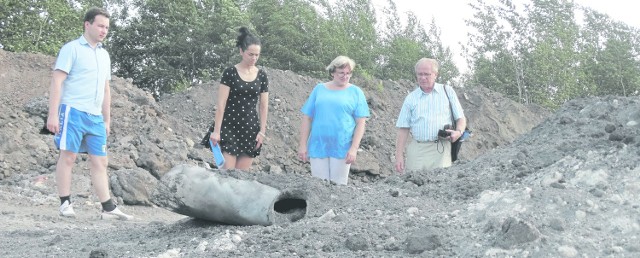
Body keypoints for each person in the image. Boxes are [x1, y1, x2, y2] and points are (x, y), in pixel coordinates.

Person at [46, 7, 132, 220]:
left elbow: (106, 89)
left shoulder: (104, 55)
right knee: (68, 156)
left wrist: (106, 119)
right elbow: (57, 81)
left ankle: (108, 208)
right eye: (100, 26)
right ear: (88, 24)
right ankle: (65, 203)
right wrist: (53, 114)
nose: (104, 30)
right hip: (72, 110)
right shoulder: (71, 49)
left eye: (107, 27)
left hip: (95, 116)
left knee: (101, 161)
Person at [297, 56, 370, 185]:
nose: (345, 76)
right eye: (341, 73)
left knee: (339, 187)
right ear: (332, 72)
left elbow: (361, 123)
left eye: (348, 73)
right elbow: (307, 118)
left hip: (342, 145)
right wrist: (303, 145)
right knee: (318, 187)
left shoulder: (356, 92)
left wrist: (353, 148)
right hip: (318, 144)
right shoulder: (319, 89)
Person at [208, 27, 269, 170]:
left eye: (257, 55)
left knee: (242, 179)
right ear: (241, 51)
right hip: (229, 126)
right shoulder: (230, 72)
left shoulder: (262, 75)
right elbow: (221, 104)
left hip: (250, 129)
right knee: (227, 176)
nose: (254, 58)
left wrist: (262, 131)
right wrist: (216, 131)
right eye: (250, 54)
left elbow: (264, 105)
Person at [395, 58, 467, 173]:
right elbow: (403, 128)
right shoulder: (411, 98)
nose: (423, 78)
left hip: (441, 149)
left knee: (440, 185)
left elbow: (461, 118)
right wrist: (398, 156)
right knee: (413, 184)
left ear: (435, 75)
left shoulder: (447, 92)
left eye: (427, 74)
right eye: (420, 74)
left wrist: (458, 133)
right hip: (417, 150)